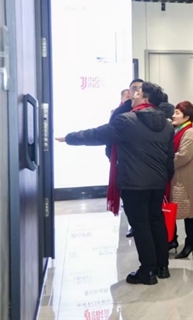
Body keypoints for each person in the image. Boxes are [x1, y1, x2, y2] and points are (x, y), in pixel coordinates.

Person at [56, 82, 174, 285]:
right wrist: (165, 178)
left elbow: (97, 135)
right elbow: (169, 157)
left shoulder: (127, 120)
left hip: (134, 182)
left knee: (141, 224)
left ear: (145, 99)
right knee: (156, 220)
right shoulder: (167, 125)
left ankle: (148, 270)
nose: (133, 96)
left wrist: (69, 138)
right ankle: (162, 267)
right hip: (158, 182)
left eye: (137, 93)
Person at [107, 79, 143, 238]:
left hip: (145, 163)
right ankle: (134, 224)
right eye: (134, 88)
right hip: (124, 162)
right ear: (129, 91)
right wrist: (111, 156)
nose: (137, 91)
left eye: (140, 88)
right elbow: (109, 136)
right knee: (128, 197)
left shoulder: (152, 110)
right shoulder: (120, 112)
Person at [169, 101, 193, 259]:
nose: (173, 115)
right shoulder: (179, 130)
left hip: (185, 179)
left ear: (187, 117)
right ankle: (172, 240)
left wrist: (166, 162)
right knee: (174, 209)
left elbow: (183, 156)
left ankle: (190, 242)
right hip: (177, 177)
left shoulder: (189, 133)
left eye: (177, 113)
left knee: (188, 212)